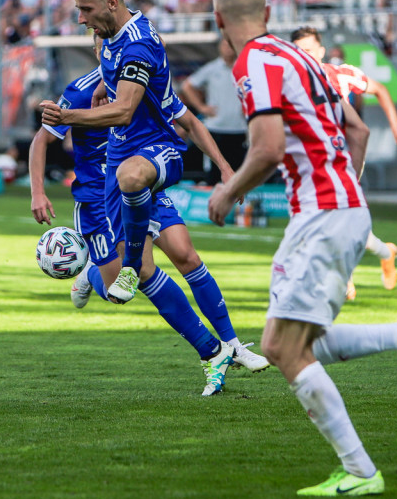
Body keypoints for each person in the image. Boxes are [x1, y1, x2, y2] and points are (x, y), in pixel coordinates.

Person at [207, 0, 397, 496]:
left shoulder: (252, 61)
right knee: (292, 344)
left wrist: (228, 192)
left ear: (218, 19)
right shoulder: (304, 58)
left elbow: (269, 147)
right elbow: (357, 128)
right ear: (269, 14)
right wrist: (348, 187)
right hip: (335, 208)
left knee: (283, 347)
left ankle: (362, 472)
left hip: (323, 214)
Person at [40, 0, 236, 396]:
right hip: (109, 179)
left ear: (111, 3)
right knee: (135, 279)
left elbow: (129, 111)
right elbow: (170, 106)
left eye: (85, 10)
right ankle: (212, 350)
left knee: (170, 250)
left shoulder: (139, 45)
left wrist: (68, 117)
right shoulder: (110, 48)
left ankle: (227, 344)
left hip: (150, 160)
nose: (80, 20)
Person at [30, 40, 269, 386]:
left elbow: (191, 123)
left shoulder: (144, 80)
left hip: (142, 185)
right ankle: (93, 273)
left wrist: (226, 168)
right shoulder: (80, 92)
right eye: (104, 43)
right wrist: (38, 191)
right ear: (100, 51)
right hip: (99, 198)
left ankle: (230, 346)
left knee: (186, 255)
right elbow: (42, 139)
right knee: (127, 280)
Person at [291, 26, 397, 297]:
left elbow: (378, 89)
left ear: (320, 52)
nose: (305, 57)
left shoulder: (339, 75)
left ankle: (344, 277)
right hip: (311, 161)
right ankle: (385, 251)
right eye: (299, 52)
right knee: (339, 221)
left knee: (333, 217)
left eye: (309, 51)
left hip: (343, 156)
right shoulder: (290, 83)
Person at [178, 37, 247, 184]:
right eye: (225, 44)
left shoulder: (244, 67)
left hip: (239, 129)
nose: (228, 48)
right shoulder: (212, 68)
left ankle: (239, 206)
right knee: (215, 174)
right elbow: (187, 86)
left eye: (230, 44)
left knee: (240, 175)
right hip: (215, 129)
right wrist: (201, 107)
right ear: (220, 47)